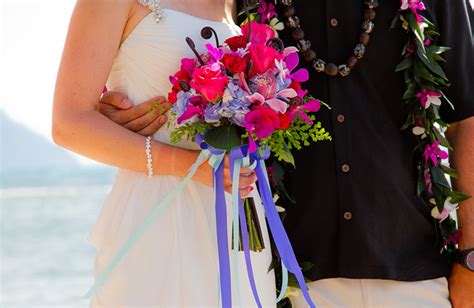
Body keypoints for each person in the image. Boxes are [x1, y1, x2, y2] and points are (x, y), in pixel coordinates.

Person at [99, 0, 474, 306]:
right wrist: (124, 101)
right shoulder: (241, 2)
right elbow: (198, 66)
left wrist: (470, 262)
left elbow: (468, 120)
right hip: (285, 280)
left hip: (414, 274)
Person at [52, 0, 276, 306]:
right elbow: (69, 123)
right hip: (157, 211)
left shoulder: (235, 4)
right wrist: (187, 165)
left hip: (239, 221)